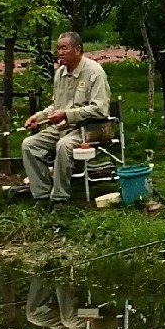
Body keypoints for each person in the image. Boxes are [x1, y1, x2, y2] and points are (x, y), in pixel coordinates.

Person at [20, 31, 112, 208]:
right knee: (29, 145)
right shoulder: (60, 73)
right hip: (63, 128)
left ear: (78, 49)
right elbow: (56, 105)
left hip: (92, 128)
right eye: (58, 48)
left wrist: (67, 115)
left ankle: (60, 200)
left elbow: (100, 109)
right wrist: (38, 117)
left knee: (63, 145)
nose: (60, 53)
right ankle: (42, 196)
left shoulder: (94, 72)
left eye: (64, 48)